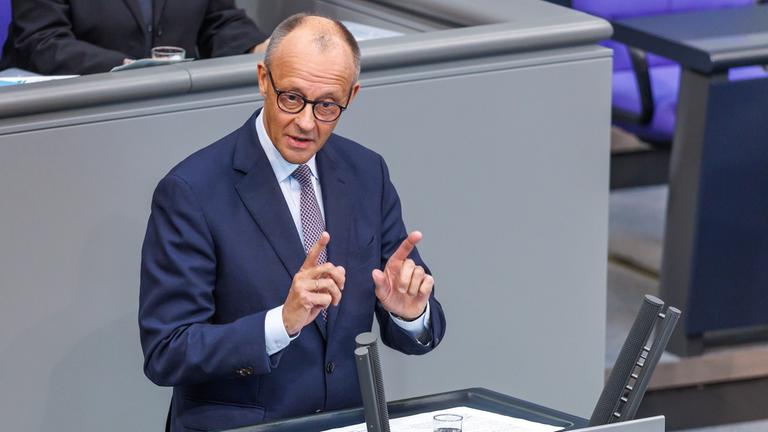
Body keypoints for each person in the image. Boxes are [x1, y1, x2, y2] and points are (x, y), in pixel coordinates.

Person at [138, 13, 446, 432]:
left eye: (326, 106)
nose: (306, 122)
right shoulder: (191, 191)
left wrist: (410, 314)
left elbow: (417, 322)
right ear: (264, 79)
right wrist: (280, 323)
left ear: (351, 96)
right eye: (291, 98)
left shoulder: (366, 173)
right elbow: (167, 351)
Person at [0, 0, 267, 75]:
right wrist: (127, 68)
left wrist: (261, 48)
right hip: (68, 120)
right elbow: (42, 41)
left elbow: (218, 21)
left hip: (171, 108)